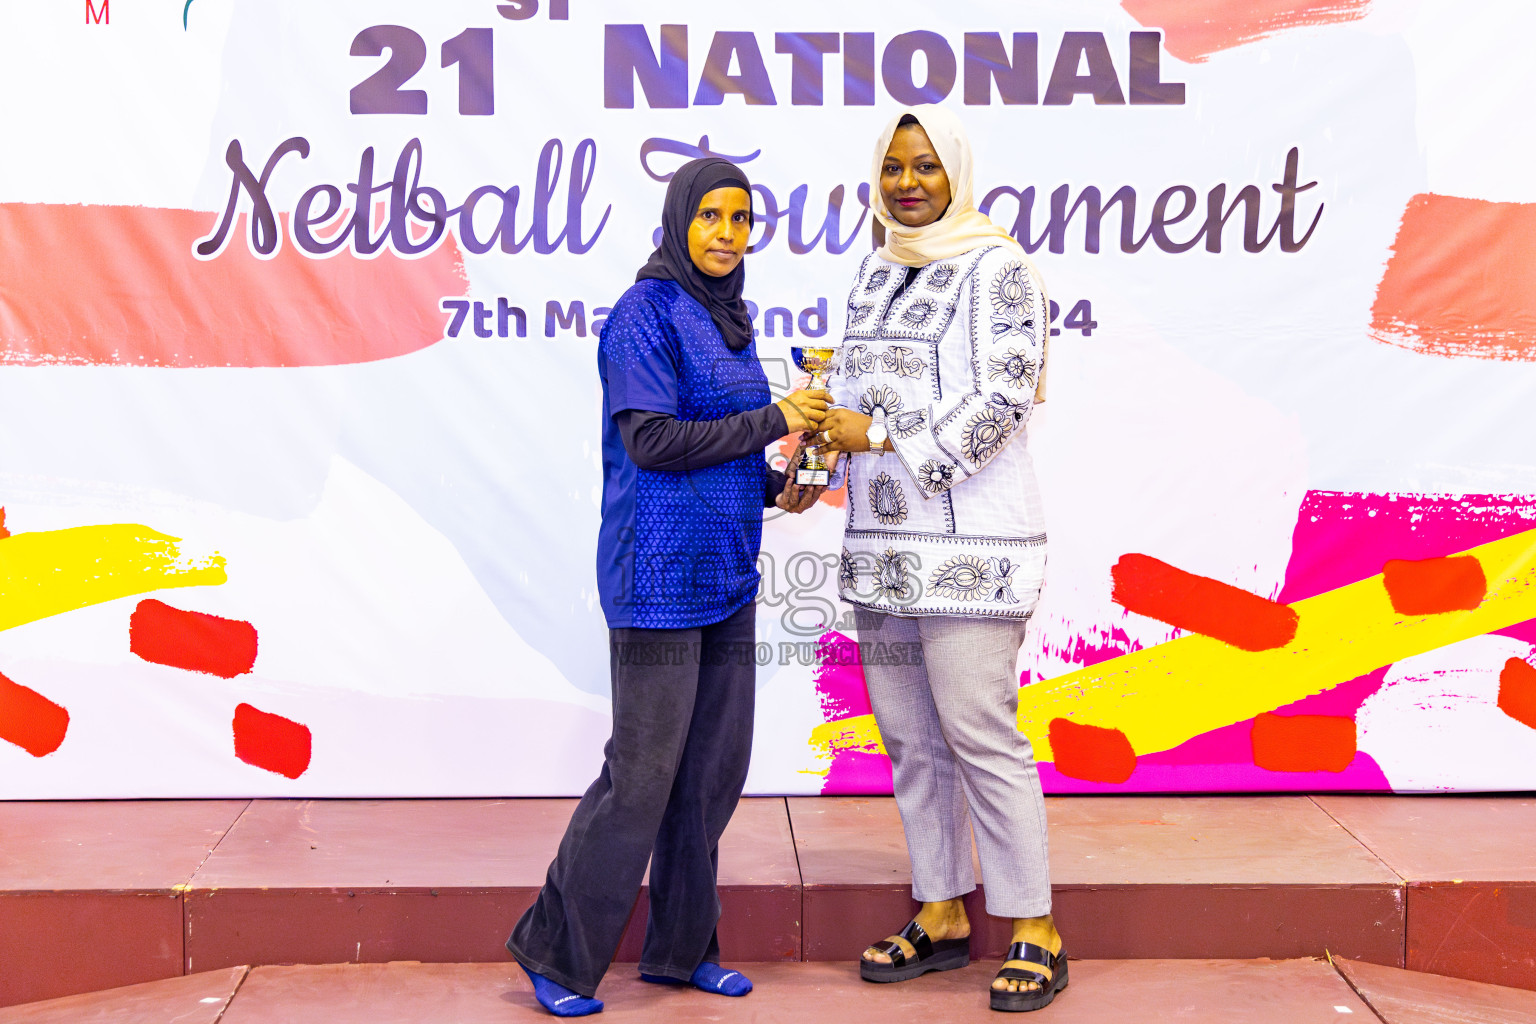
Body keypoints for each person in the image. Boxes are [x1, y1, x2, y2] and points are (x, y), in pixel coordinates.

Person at [506, 157, 830, 1017]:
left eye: (741, 219)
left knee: (711, 773)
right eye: (711, 217)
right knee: (642, 774)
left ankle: (682, 952)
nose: (727, 233)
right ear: (678, 219)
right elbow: (652, 441)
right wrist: (777, 419)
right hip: (654, 579)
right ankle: (553, 952)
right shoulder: (643, 316)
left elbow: (720, 446)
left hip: (724, 570)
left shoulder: (728, 318)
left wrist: (777, 484)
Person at [816, 106, 1065, 1013]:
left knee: (980, 735)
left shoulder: (999, 268)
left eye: (924, 166)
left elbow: (1003, 401)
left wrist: (876, 433)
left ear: (956, 170)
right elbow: (847, 391)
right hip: (882, 548)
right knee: (912, 744)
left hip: (973, 550)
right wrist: (819, 453)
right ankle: (942, 909)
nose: (908, 183)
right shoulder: (876, 268)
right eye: (893, 167)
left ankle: (1034, 926)